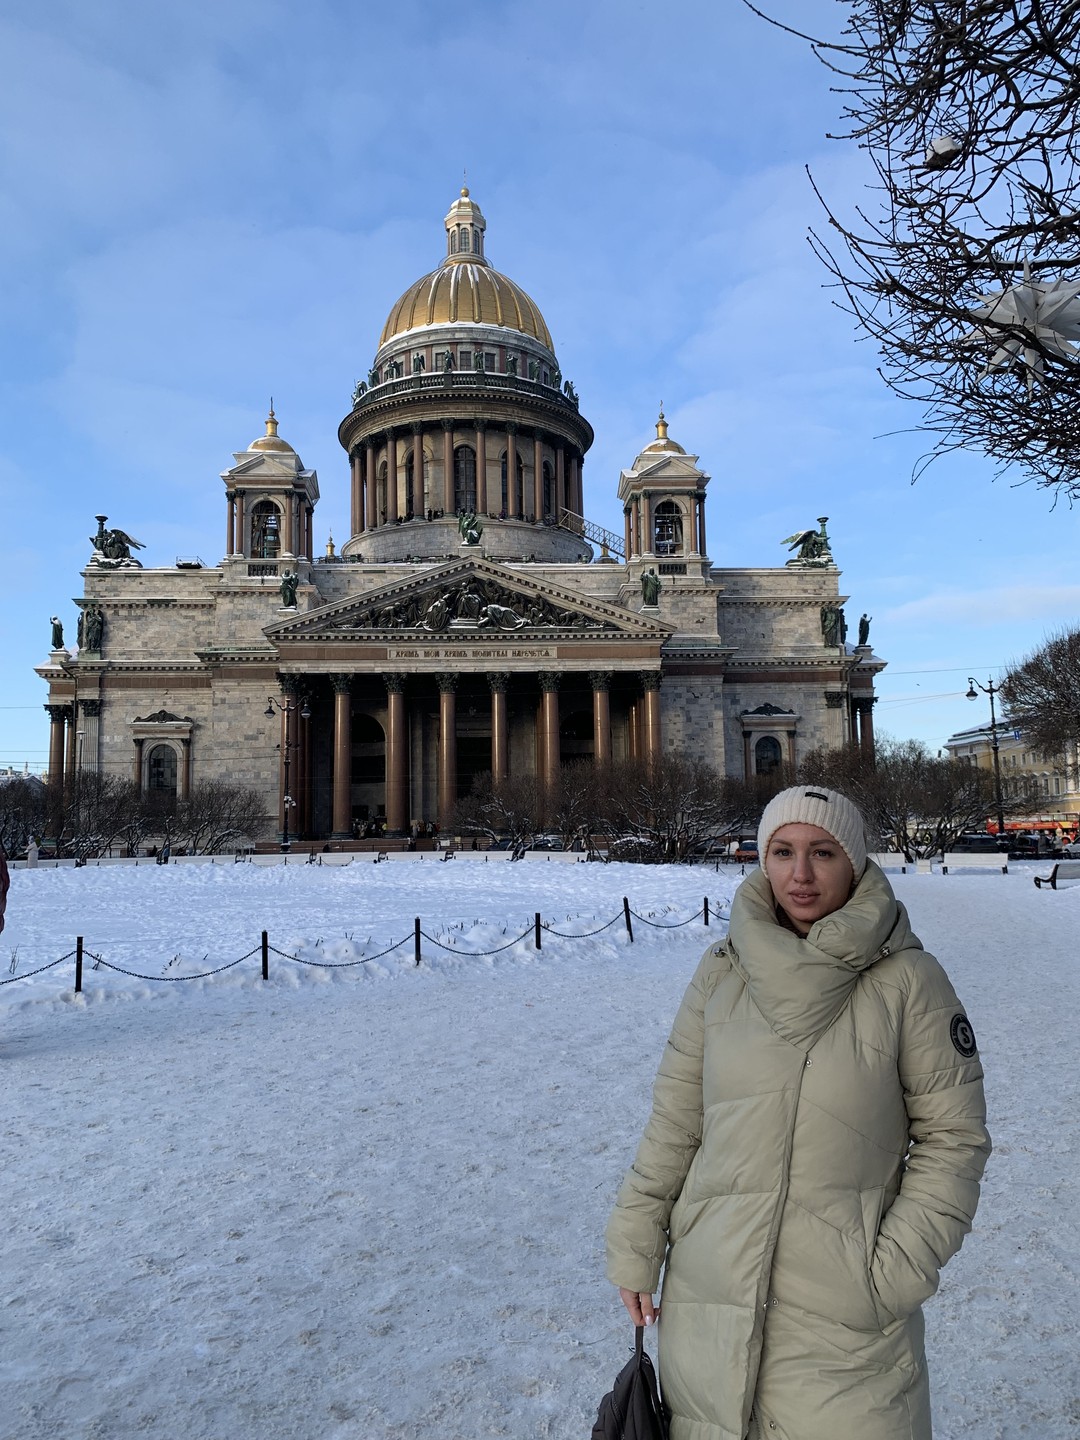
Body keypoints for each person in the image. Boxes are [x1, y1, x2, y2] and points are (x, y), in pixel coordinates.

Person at [605, 785, 990, 1440]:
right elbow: (678, 1119)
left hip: (847, 1317)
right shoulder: (721, 973)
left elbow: (955, 1140)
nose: (800, 874)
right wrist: (637, 1235)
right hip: (711, 1290)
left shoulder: (910, 981)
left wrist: (891, 1271)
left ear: (856, 863)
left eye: (822, 852)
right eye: (782, 851)